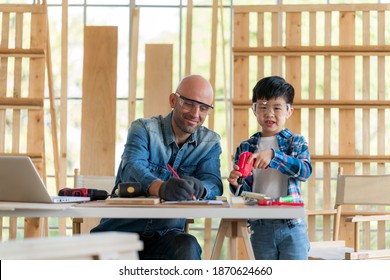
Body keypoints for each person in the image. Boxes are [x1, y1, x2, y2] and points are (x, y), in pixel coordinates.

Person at [91, 74, 223, 260]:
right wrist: (161, 188)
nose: (195, 114)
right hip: (119, 232)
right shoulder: (143, 129)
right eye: (189, 104)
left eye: (203, 108)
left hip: (166, 237)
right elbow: (131, 166)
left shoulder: (210, 143)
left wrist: (201, 189)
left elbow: (213, 182)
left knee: (188, 246)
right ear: (173, 100)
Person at [227, 75, 312, 260]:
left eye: (277, 107)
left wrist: (274, 156)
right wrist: (236, 183)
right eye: (263, 107)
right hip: (260, 225)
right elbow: (244, 192)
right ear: (254, 109)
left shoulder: (295, 142)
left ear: (289, 111)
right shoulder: (246, 147)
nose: (269, 113)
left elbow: (305, 172)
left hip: (292, 224)